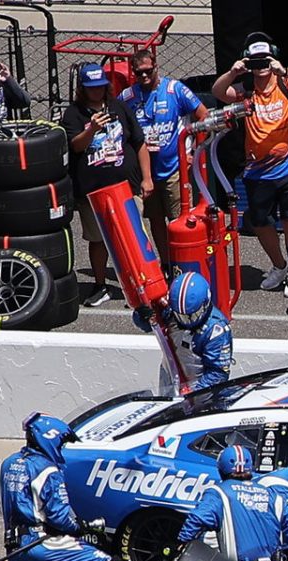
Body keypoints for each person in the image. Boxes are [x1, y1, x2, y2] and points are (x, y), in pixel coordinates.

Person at [0, 413, 120, 561]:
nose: (61, 448)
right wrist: (83, 528)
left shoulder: (7, 464)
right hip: (41, 545)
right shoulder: (48, 471)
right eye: (61, 443)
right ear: (49, 439)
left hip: (14, 553)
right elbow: (62, 519)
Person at [212, 33, 288, 292]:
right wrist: (233, 72)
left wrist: (284, 69)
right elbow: (218, 92)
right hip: (258, 170)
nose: (260, 67)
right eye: (255, 62)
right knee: (260, 222)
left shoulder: (286, 84)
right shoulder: (245, 90)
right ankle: (279, 265)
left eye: (265, 61)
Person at [61, 63, 154, 308]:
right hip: (92, 192)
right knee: (98, 239)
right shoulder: (73, 114)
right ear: (82, 89)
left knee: (133, 235)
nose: (96, 92)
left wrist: (147, 178)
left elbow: (139, 142)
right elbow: (76, 146)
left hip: (126, 186)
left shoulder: (120, 107)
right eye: (91, 89)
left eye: (100, 87)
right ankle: (100, 285)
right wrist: (92, 129)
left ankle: (140, 285)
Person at [119, 49, 208, 272]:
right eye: (139, 73)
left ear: (156, 66)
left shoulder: (175, 90)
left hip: (174, 169)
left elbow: (203, 115)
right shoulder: (127, 97)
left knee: (178, 221)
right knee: (155, 221)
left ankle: (184, 263)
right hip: (144, 174)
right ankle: (167, 263)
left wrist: (195, 151)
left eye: (148, 71)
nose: (144, 77)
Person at [132, 271, 232, 392]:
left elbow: (218, 373)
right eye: (179, 315)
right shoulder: (172, 309)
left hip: (200, 390)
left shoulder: (216, 331)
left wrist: (194, 393)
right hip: (170, 376)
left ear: (205, 304)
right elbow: (150, 325)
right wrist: (141, 315)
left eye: (191, 316)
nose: (185, 321)